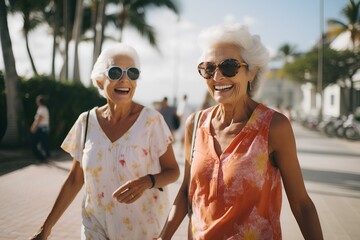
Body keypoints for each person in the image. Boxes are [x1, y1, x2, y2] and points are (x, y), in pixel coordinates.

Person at [156, 23, 323, 239]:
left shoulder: (273, 126)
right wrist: (163, 236)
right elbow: (188, 189)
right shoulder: (195, 123)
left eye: (229, 67)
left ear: (251, 72)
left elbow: (301, 205)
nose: (217, 77)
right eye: (208, 68)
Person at [30, 43, 180, 240]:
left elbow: (173, 172)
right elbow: (76, 178)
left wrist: (147, 181)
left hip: (142, 230)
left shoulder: (152, 121)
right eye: (116, 72)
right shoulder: (86, 121)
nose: (125, 79)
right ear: (100, 81)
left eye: (132, 73)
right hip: (95, 226)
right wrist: (45, 228)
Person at [30, 95, 51, 162]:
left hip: (41, 129)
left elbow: (39, 119)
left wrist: (33, 127)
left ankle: (41, 158)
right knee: (44, 143)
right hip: (44, 129)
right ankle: (46, 157)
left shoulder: (41, 109)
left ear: (38, 102)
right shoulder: (45, 108)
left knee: (33, 143)